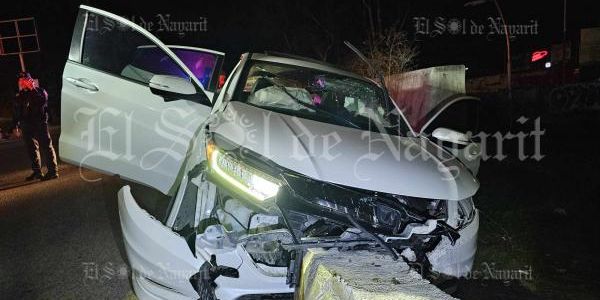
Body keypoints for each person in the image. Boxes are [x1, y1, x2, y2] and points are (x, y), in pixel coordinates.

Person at [11, 72, 58, 181]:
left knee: (47, 146)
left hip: (40, 123)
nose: (22, 82)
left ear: (31, 80)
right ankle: (37, 172)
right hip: (26, 125)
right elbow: (17, 111)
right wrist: (15, 125)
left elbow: (42, 102)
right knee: (31, 149)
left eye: (24, 80)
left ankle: (53, 171)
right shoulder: (20, 95)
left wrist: (32, 89)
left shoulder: (40, 91)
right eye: (20, 81)